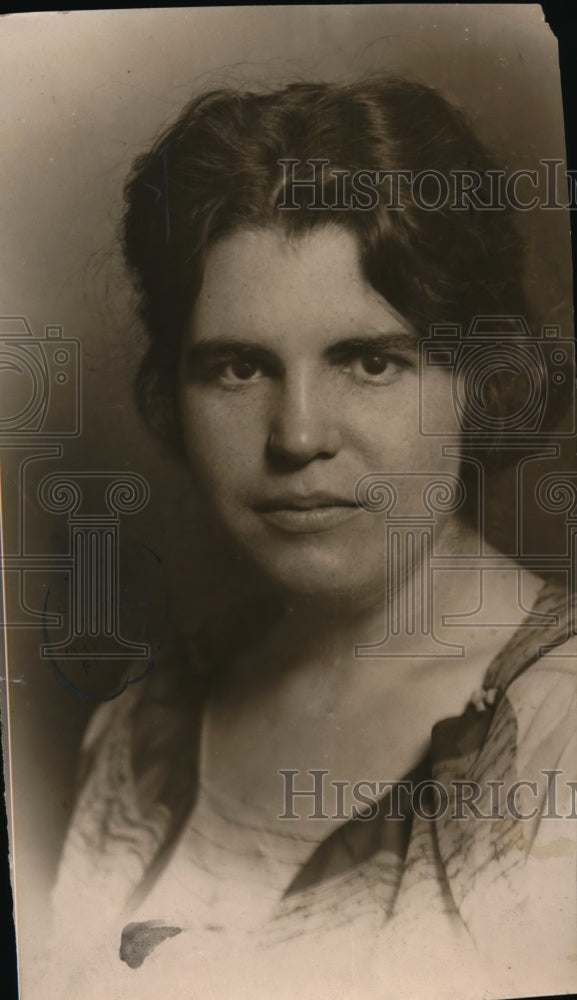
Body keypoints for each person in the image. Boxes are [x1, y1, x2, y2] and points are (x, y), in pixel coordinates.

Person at [40, 76, 575, 1000]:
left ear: (481, 381)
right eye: (237, 367)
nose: (295, 436)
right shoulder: (135, 732)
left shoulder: (562, 734)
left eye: (369, 361)